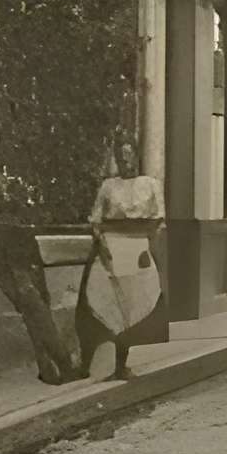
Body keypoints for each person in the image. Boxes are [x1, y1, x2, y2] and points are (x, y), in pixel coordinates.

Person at [0, 146, 76, 385]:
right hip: (4, 259)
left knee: (36, 307)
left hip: (21, 253)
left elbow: (24, 215)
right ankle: (63, 363)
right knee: (36, 308)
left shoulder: (9, 185)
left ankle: (47, 366)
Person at [74, 138, 166, 380]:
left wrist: (148, 249)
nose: (126, 162)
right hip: (110, 248)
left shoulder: (150, 185)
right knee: (99, 299)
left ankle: (121, 364)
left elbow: (158, 220)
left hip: (138, 249)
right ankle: (87, 364)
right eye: (121, 157)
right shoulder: (108, 186)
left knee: (133, 306)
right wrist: (103, 248)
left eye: (129, 156)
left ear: (136, 156)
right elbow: (95, 219)